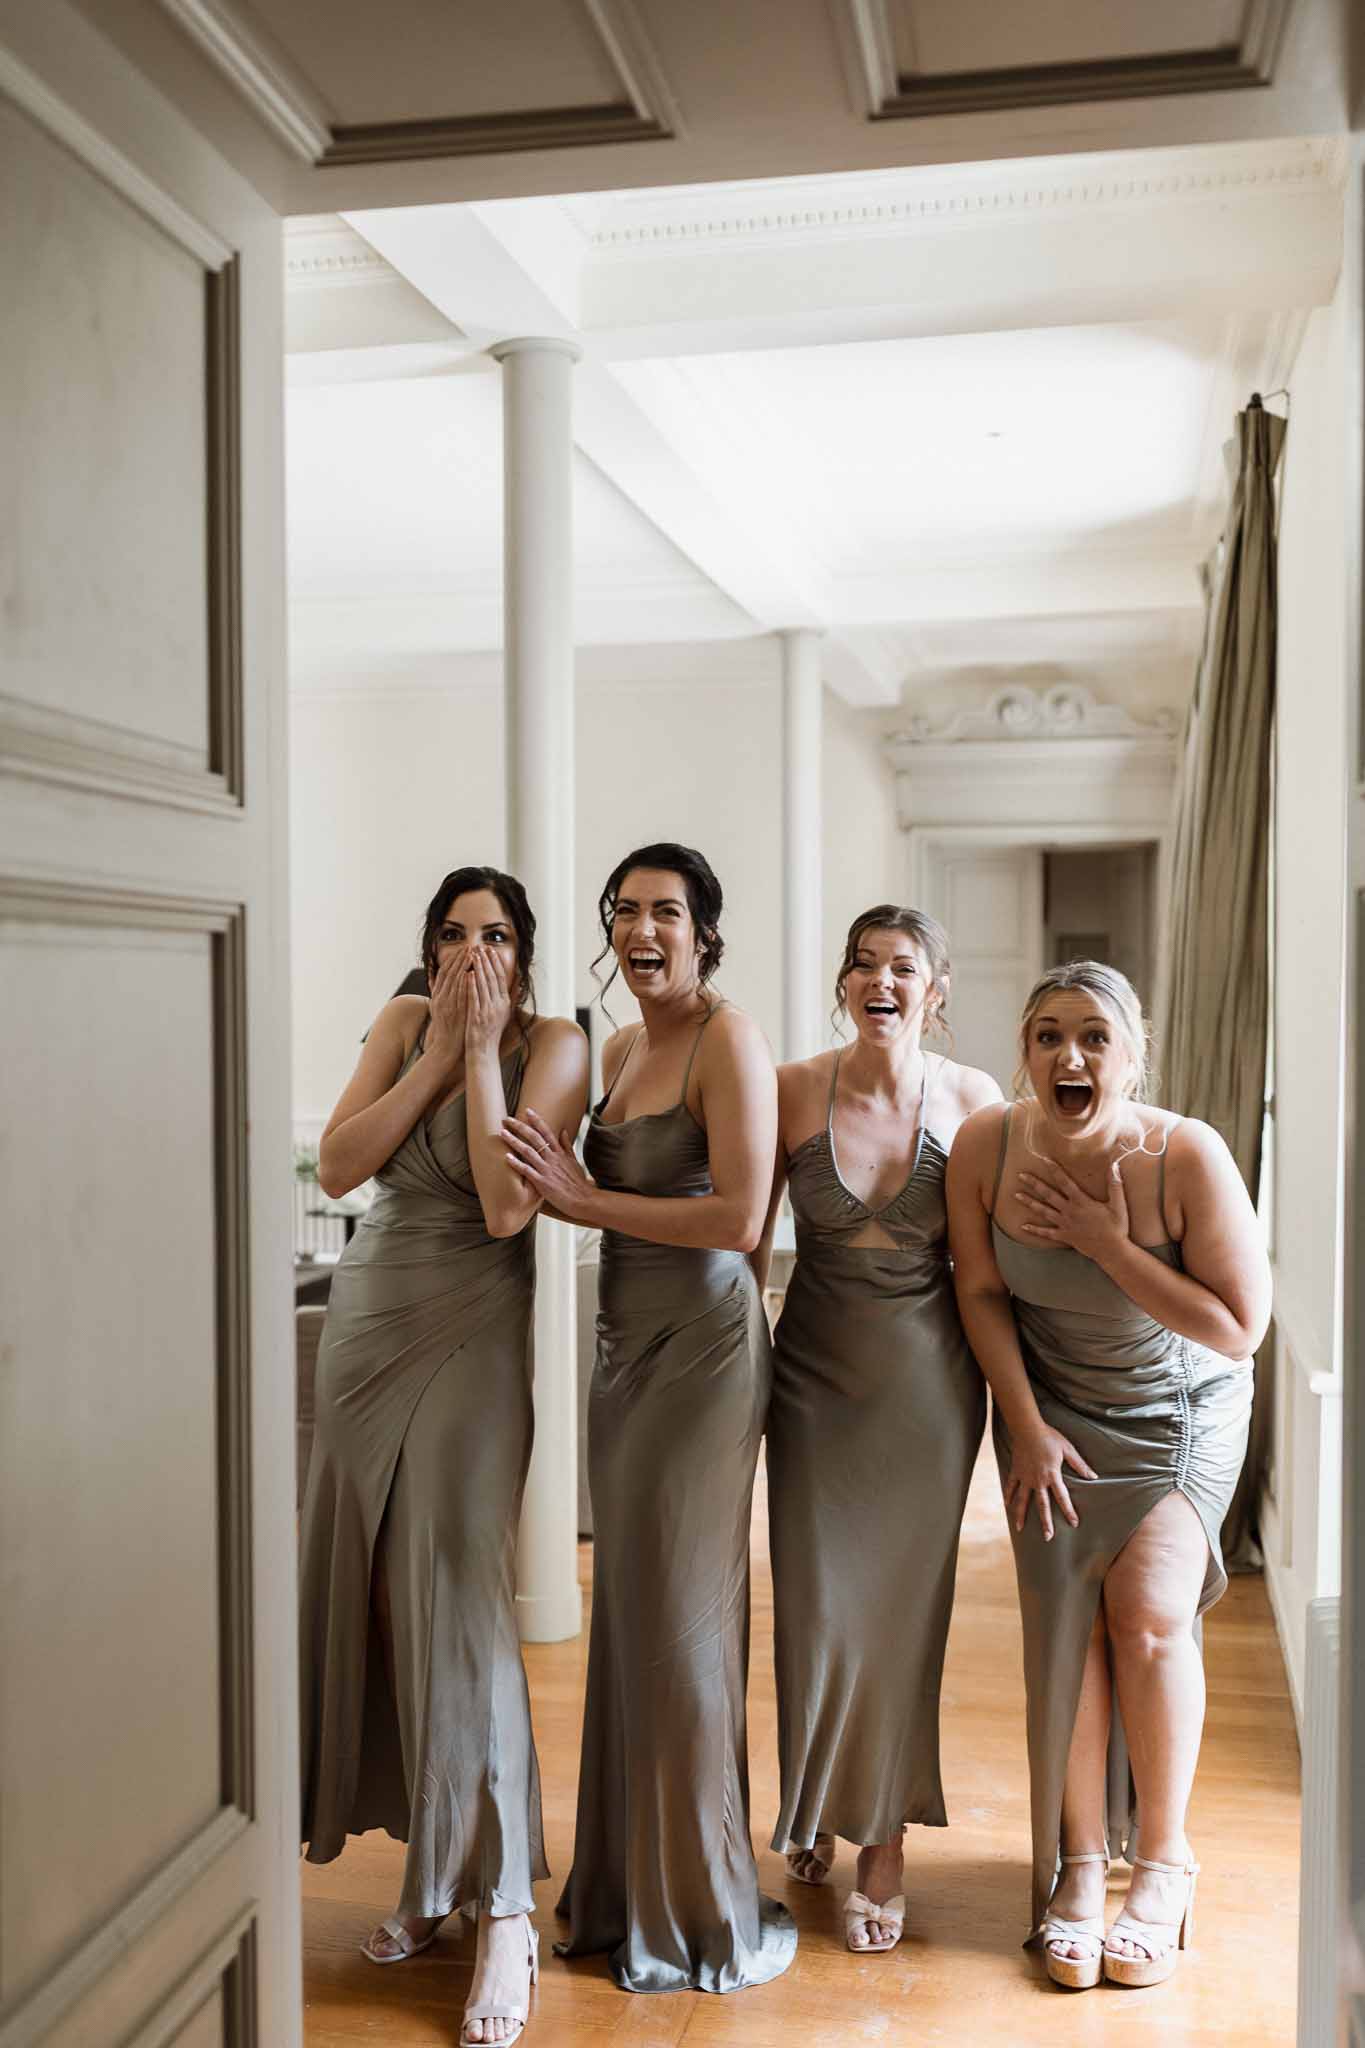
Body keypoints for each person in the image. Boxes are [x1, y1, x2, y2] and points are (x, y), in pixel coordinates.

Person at [298, 865, 588, 2048]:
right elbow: (338, 1164)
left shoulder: (557, 1046)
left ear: (527, 952)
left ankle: (505, 1904)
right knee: (379, 1599)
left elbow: (508, 1205)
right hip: (370, 1324)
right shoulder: (403, 1019)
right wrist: (432, 1053)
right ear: (428, 949)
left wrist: (480, 1053)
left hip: (475, 1331)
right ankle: (436, 1873)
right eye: (456, 934)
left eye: (498, 935)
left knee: (462, 1604)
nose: (476, 954)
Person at [502, 842, 797, 1994]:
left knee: (685, 1624)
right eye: (624, 909)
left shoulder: (731, 1038)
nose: (641, 929)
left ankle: (699, 1903)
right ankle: (628, 1883)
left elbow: (740, 1218)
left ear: (704, 932)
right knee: (632, 1616)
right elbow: (548, 1180)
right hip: (622, 1353)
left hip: (705, 1355)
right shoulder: (620, 1049)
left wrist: (585, 1199)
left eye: (665, 910)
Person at [946, 961, 1269, 1990]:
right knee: (1070, 1631)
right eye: (1047, 1034)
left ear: (1133, 1056)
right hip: (1053, 1413)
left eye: (1094, 1035)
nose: (1069, 1054)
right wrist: (1026, 1426)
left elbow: (1237, 1326)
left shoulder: (1185, 1154)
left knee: (1147, 1614)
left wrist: (1104, 1242)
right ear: (1025, 1053)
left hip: (1181, 1407)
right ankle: (1080, 1865)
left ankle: (1164, 1862)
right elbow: (980, 1292)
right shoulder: (986, 1144)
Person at [757, 906, 999, 1952]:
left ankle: (884, 1844)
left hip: (926, 1394)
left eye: (903, 967)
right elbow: (740, 1245)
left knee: (900, 1621)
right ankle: (814, 1798)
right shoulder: (789, 1089)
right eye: (863, 964)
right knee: (814, 1610)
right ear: (843, 984)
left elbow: (992, 1272)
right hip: (810, 1383)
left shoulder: (976, 1102)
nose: (880, 981)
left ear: (934, 991)